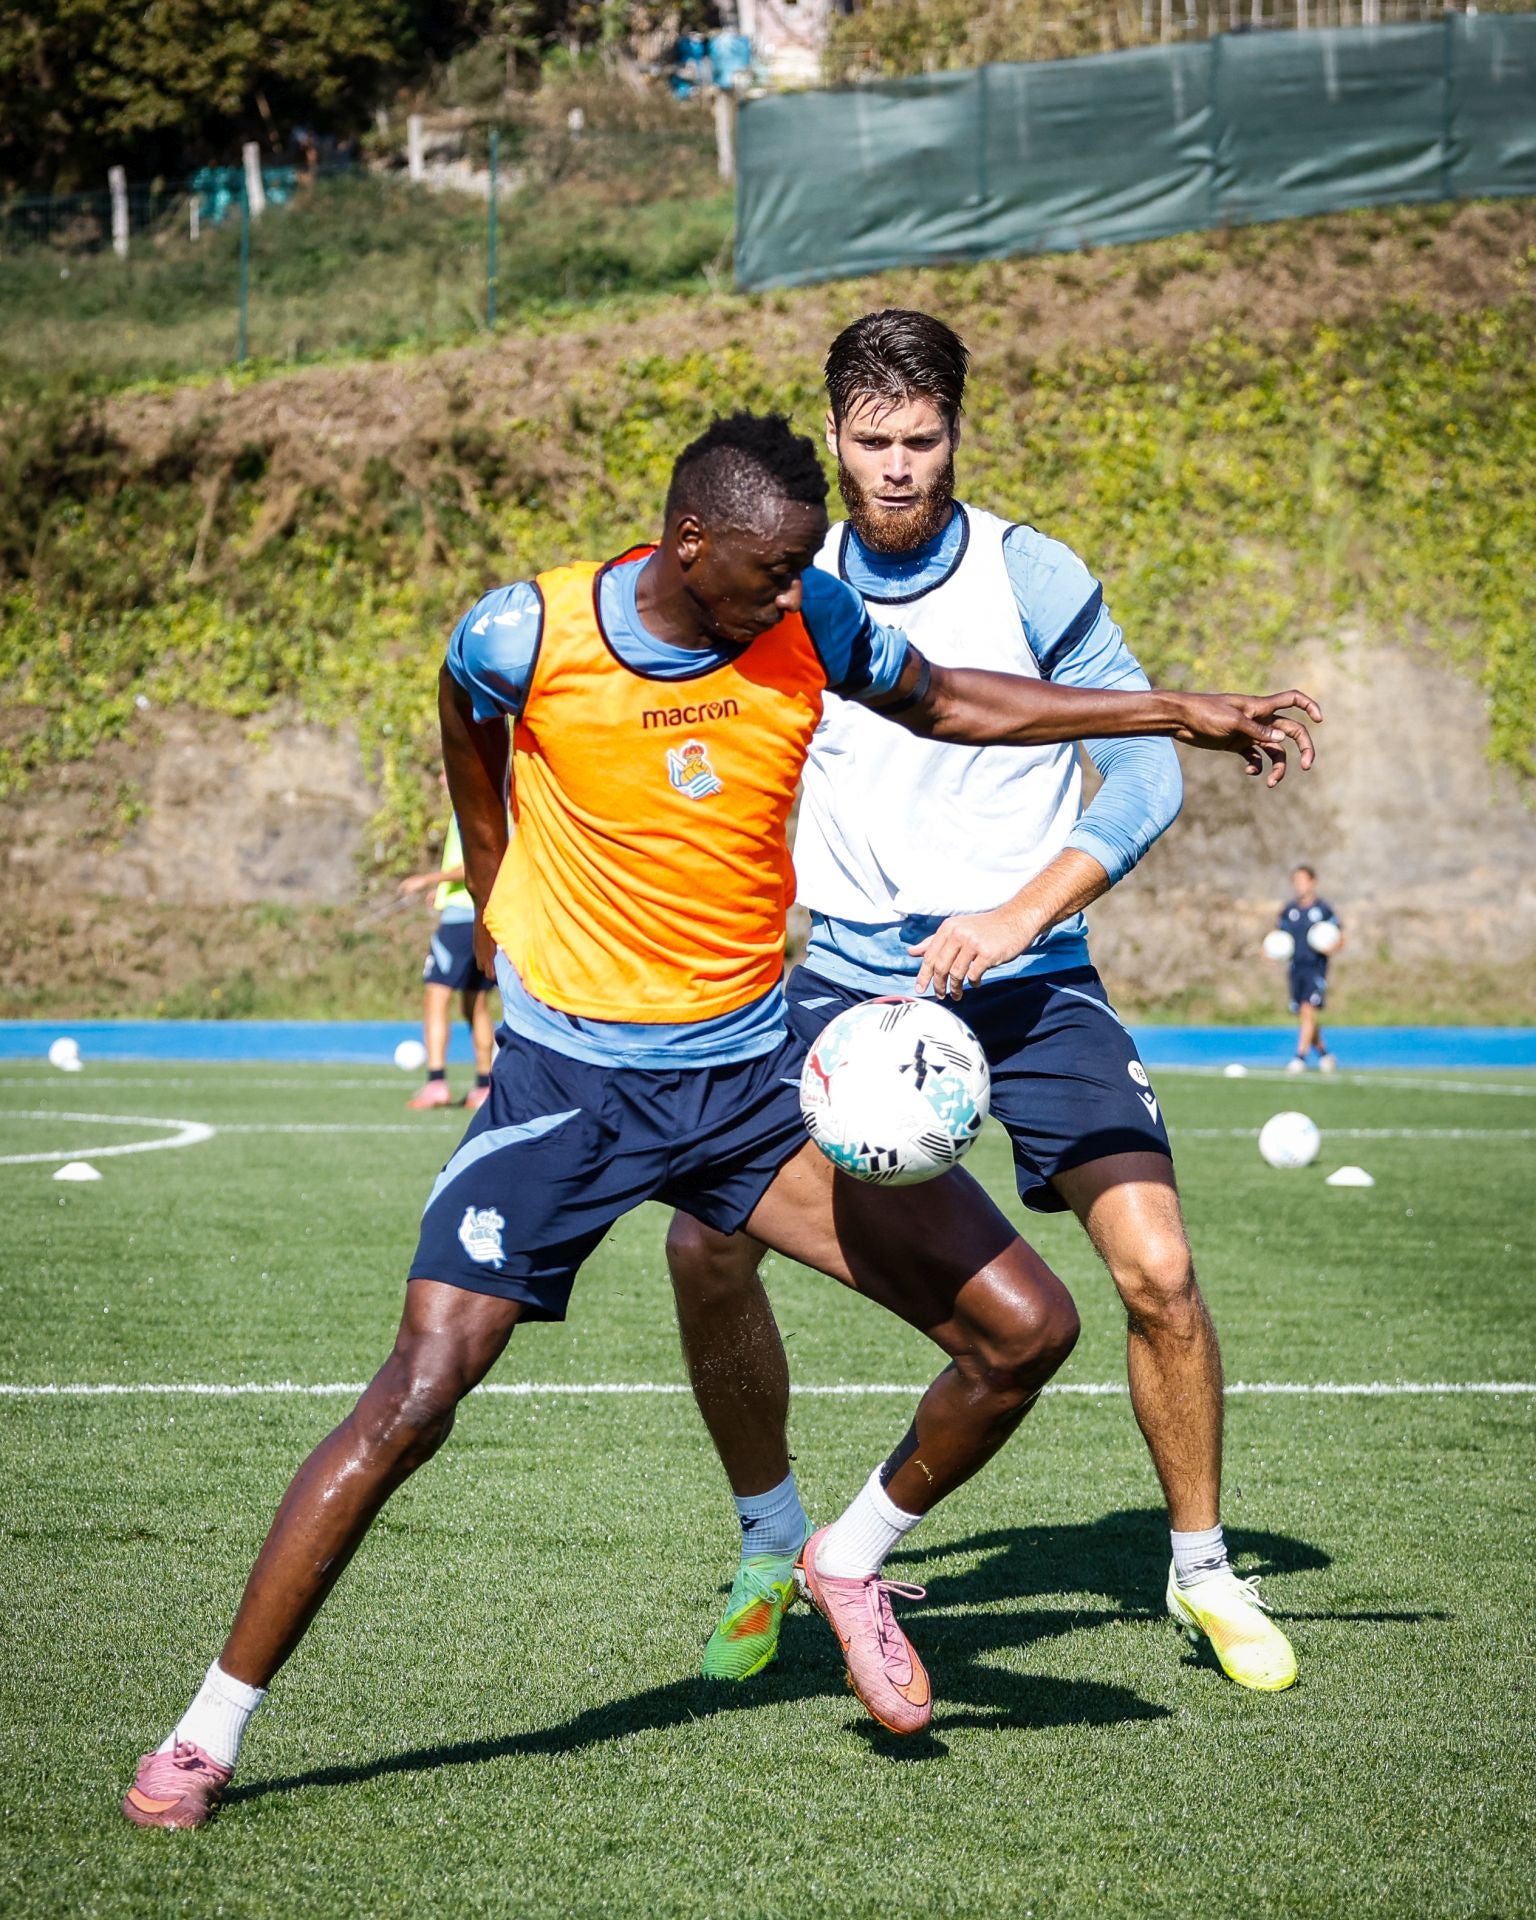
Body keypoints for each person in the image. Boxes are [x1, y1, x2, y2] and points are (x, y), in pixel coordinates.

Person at [122, 411, 1317, 1828]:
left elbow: (959, 701)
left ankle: (846, 1556)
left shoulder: (810, 614)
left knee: (1025, 1327)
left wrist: (1175, 709)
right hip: (567, 1089)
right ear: (689, 544)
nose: (796, 591)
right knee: (418, 1393)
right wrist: (498, 893)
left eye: (801, 568)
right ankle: (208, 1730)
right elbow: (465, 716)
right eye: (767, 568)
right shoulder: (526, 633)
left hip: (755, 1079)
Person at [670, 312, 1301, 1700]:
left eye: (924, 440)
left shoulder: (1033, 574)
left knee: (1158, 1272)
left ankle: (1200, 1570)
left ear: (958, 431)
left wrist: (1022, 911)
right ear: (832, 436)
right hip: (841, 991)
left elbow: (1141, 775)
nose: (898, 468)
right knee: (705, 1246)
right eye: (873, 442)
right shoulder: (777, 582)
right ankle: (774, 1541)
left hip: (1032, 984)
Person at [397, 780, 497, 1111]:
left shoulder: (472, 809)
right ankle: (483, 1087)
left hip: (460, 921)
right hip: (484, 915)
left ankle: (436, 1083)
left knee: (435, 996)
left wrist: (429, 879)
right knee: (475, 1004)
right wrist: (441, 890)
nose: (442, 778)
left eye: (445, 771)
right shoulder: (491, 805)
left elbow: (479, 863)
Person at [1275, 863, 1343, 1073]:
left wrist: (1334, 946)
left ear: (1312, 882)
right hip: (1295, 968)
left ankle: (1300, 1057)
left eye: (1303, 881)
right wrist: (1270, 951)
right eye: (1296, 881)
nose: (1300, 885)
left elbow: (1339, 937)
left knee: (1308, 1010)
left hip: (1316, 967)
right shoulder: (1289, 910)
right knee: (1306, 1015)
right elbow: (1279, 938)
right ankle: (1324, 1054)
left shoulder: (1323, 909)